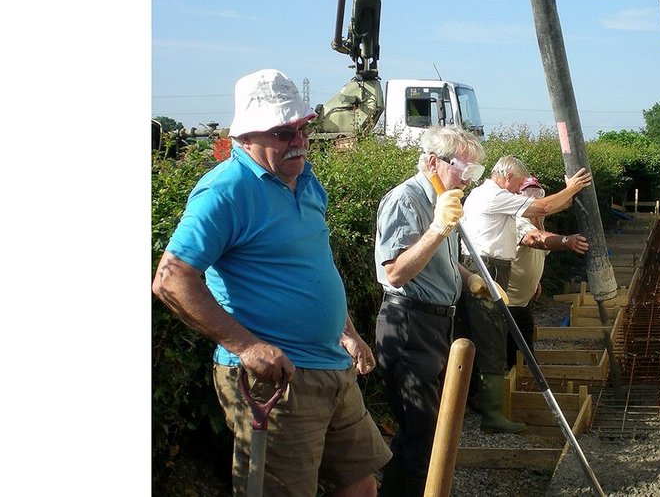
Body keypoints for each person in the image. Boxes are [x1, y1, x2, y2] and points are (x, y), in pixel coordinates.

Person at [152, 69, 391, 497]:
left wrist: (347, 332)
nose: (298, 140)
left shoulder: (306, 179)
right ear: (246, 137)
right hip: (276, 384)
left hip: (332, 369)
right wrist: (246, 346)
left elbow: (313, 264)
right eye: (282, 132)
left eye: (302, 128)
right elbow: (171, 280)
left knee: (360, 486)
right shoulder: (226, 190)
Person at [373, 126, 490, 497]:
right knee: (420, 434)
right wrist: (439, 228)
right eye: (464, 170)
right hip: (408, 322)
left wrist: (471, 279)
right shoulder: (406, 200)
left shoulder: (447, 197)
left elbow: (443, 262)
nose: (469, 180)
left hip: (438, 321)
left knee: (436, 427)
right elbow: (395, 270)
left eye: (476, 173)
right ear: (434, 161)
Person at [458, 156, 592, 433]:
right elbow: (542, 208)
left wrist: (569, 193)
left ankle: (478, 402)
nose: (518, 190)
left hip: (492, 267)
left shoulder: (489, 194)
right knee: (491, 337)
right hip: (488, 269)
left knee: (486, 335)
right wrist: (572, 188)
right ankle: (491, 415)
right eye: (518, 184)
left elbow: (547, 207)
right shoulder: (494, 195)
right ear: (506, 177)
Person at [505, 176, 590, 369]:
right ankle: (507, 394)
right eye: (528, 196)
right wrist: (565, 241)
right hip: (507, 302)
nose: (534, 199)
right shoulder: (518, 220)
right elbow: (534, 239)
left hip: (523, 300)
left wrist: (573, 187)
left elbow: (563, 204)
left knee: (525, 352)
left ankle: (526, 387)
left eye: (538, 195)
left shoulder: (538, 221)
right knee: (510, 357)